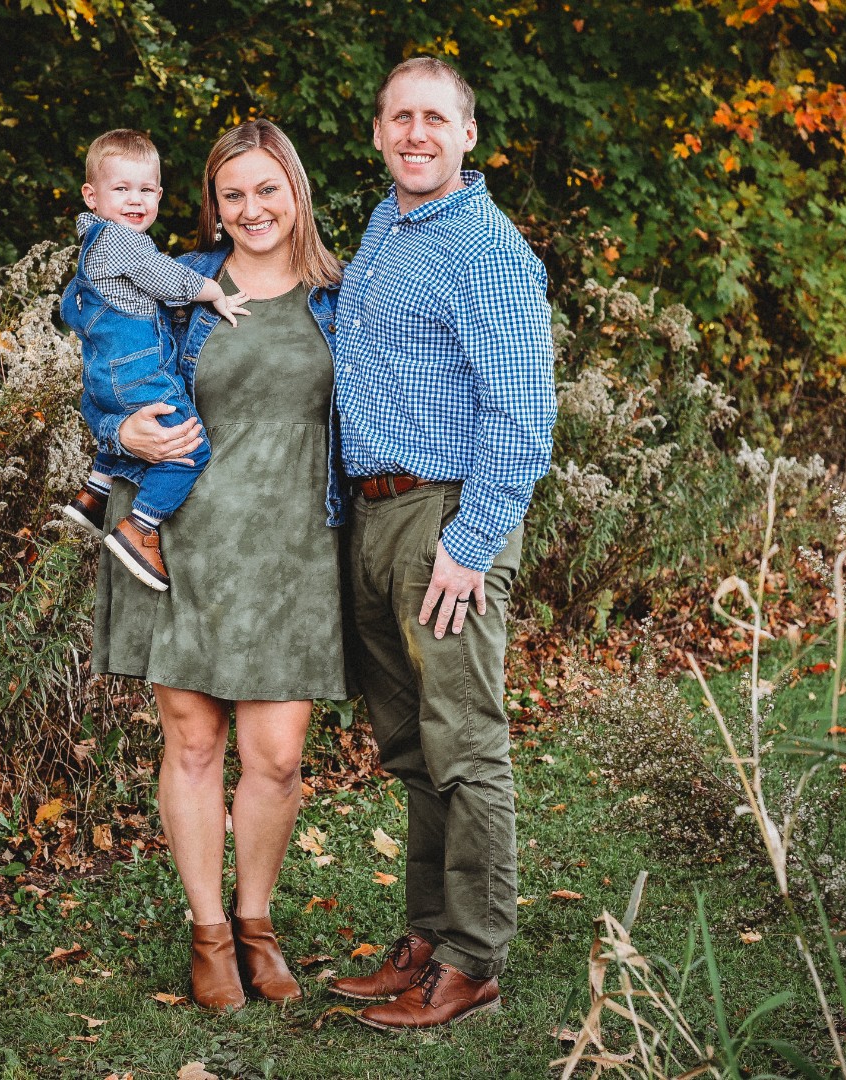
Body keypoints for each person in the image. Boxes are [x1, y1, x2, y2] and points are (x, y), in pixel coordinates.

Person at [92, 119, 348, 1011]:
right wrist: (114, 431)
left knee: (276, 757)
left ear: (296, 192)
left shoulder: (340, 294)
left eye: (267, 190)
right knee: (194, 742)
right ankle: (209, 937)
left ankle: (258, 925)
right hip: (181, 533)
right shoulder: (174, 283)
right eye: (232, 195)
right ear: (214, 205)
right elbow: (107, 368)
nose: (251, 210)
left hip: (293, 548)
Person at [326, 57, 557, 1030]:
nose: (414, 134)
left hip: (445, 519)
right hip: (374, 514)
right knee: (413, 748)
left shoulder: (486, 248)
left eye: (434, 118)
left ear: (466, 135)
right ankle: (425, 936)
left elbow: (524, 412)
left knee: (464, 746)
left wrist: (471, 541)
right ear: (378, 133)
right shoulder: (389, 223)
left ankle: (472, 959)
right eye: (399, 118)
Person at [60, 128, 249, 592]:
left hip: (106, 374)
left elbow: (71, 307)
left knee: (131, 420)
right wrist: (213, 293)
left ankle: (95, 495)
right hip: (138, 369)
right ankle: (140, 528)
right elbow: (166, 278)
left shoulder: (91, 246)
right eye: (120, 189)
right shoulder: (123, 242)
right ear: (92, 195)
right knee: (188, 449)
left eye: (146, 190)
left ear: (160, 195)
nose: (135, 200)